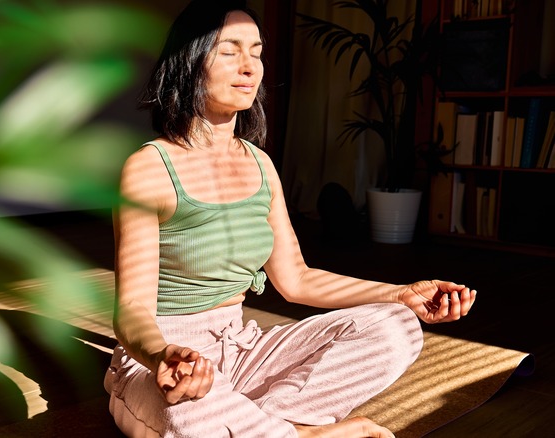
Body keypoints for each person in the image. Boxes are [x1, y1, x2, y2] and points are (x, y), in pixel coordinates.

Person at [104, 1, 477, 437]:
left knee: (396, 327)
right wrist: (163, 356)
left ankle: (279, 426)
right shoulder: (149, 169)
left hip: (242, 349)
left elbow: (296, 279)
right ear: (189, 61)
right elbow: (130, 311)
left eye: (257, 52)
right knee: (186, 413)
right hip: (167, 362)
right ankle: (295, 430)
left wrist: (401, 295)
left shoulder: (259, 164)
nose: (249, 67)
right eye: (229, 51)